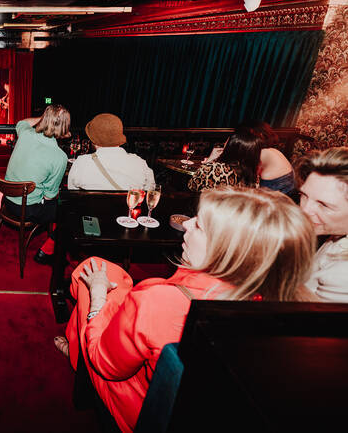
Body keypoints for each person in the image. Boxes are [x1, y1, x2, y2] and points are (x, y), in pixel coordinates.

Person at [54, 187, 316, 433]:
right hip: (200, 410)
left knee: (90, 274)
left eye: (199, 225)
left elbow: (106, 364)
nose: (187, 224)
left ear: (227, 253)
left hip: (142, 406)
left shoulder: (160, 300)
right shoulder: (288, 311)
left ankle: (78, 354)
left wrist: (98, 293)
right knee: (117, 278)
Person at [4, 105, 70, 264]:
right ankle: (45, 252)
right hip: (27, 209)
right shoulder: (59, 157)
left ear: (43, 118)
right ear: (64, 128)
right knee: (68, 215)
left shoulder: (25, 134)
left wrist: (45, 118)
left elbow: (22, 122)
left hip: (7, 200)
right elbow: (49, 196)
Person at [296, 147, 348, 302]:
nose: (303, 210)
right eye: (304, 195)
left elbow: (314, 322)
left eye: (324, 205)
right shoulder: (336, 230)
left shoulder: (342, 273)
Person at [67, 113, 154, 191]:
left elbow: (72, 191)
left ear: (93, 140)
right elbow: (150, 191)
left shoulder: (81, 163)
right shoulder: (139, 163)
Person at [188, 129, 261, 191]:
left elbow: (192, 185)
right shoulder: (253, 173)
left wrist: (210, 160)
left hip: (212, 206)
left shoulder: (216, 168)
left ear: (230, 145)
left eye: (227, 141)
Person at [245, 121, 296, 195]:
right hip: (290, 182)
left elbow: (250, 175)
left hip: (278, 183)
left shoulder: (261, 152)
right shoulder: (272, 150)